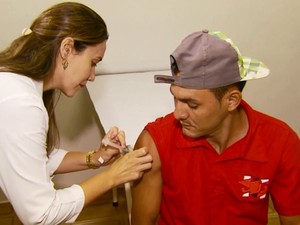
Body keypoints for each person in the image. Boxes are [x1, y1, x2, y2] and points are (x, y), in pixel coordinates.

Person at [0, 2, 152, 225]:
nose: (92, 76)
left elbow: (39, 159)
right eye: (93, 63)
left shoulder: (19, 86)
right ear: (67, 49)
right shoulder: (21, 103)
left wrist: (97, 157)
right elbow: (41, 215)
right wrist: (113, 176)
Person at [131, 30, 300, 225]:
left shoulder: (281, 142)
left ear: (232, 100)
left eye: (192, 105)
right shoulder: (154, 143)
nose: (178, 114)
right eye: (175, 98)